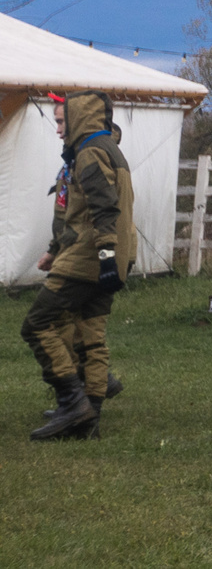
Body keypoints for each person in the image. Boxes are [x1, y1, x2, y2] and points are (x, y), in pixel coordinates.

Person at [22, 91, 129, 441]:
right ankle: (89, 417)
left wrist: (104, 254)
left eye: (60, 120)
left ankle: (73, 403)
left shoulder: (90, 152)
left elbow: (103, 207)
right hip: (106, 257)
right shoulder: (109, 149)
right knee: (92, 338)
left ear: (79, 116)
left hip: (88, 257)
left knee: (38, 324)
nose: (57, 129)